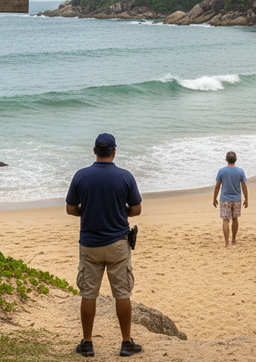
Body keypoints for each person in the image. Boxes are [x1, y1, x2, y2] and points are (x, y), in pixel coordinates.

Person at [66, 133, 143, 358]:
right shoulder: (125, 177)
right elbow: (136, 209)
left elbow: (71, 209)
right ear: (114, 151)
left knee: (89, 294)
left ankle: (87, 343)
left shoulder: (81, 176)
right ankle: (126, 343)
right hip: (118, 243)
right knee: (122, 293)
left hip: (89, 244)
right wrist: (120, 213)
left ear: (94, 151)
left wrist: (87, 212)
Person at [213, 151, 248, 247]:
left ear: (226, 159)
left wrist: (214, 198)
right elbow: (244, 186)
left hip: (225, 199)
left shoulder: (221, 171)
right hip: (237, 198)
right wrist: (246, 199)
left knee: (225, 220)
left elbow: (217, 186)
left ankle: (226, 242)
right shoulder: (240, 171)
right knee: (235, 219)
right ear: (235, 159)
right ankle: (233, 240)